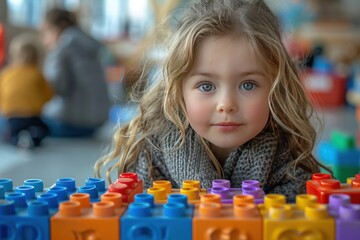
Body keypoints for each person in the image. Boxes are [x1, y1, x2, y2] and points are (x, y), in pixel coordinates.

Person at [94, 0, 330, 199]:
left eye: (248, 85)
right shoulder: (150, 158)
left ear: (276, 88)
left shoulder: (291, 164)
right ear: (177, 91)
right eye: (206, 86)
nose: (226, 104)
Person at [40, 8, 110, 137]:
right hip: (96, 123)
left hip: (70, 123)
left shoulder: (63, 48)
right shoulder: (87, 44)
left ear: (61, 26)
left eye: (47, 32)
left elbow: (55, 89)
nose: (44, 40)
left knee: (10, 122)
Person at [0, 33, 53, 148]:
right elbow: (48, 95)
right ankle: (32, 137)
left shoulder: (5, 74)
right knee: (45, 129)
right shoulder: (37, 74)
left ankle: (15, 139)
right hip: (32, 116)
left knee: (10, 132)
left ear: (12, 56)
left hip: (11, 117)